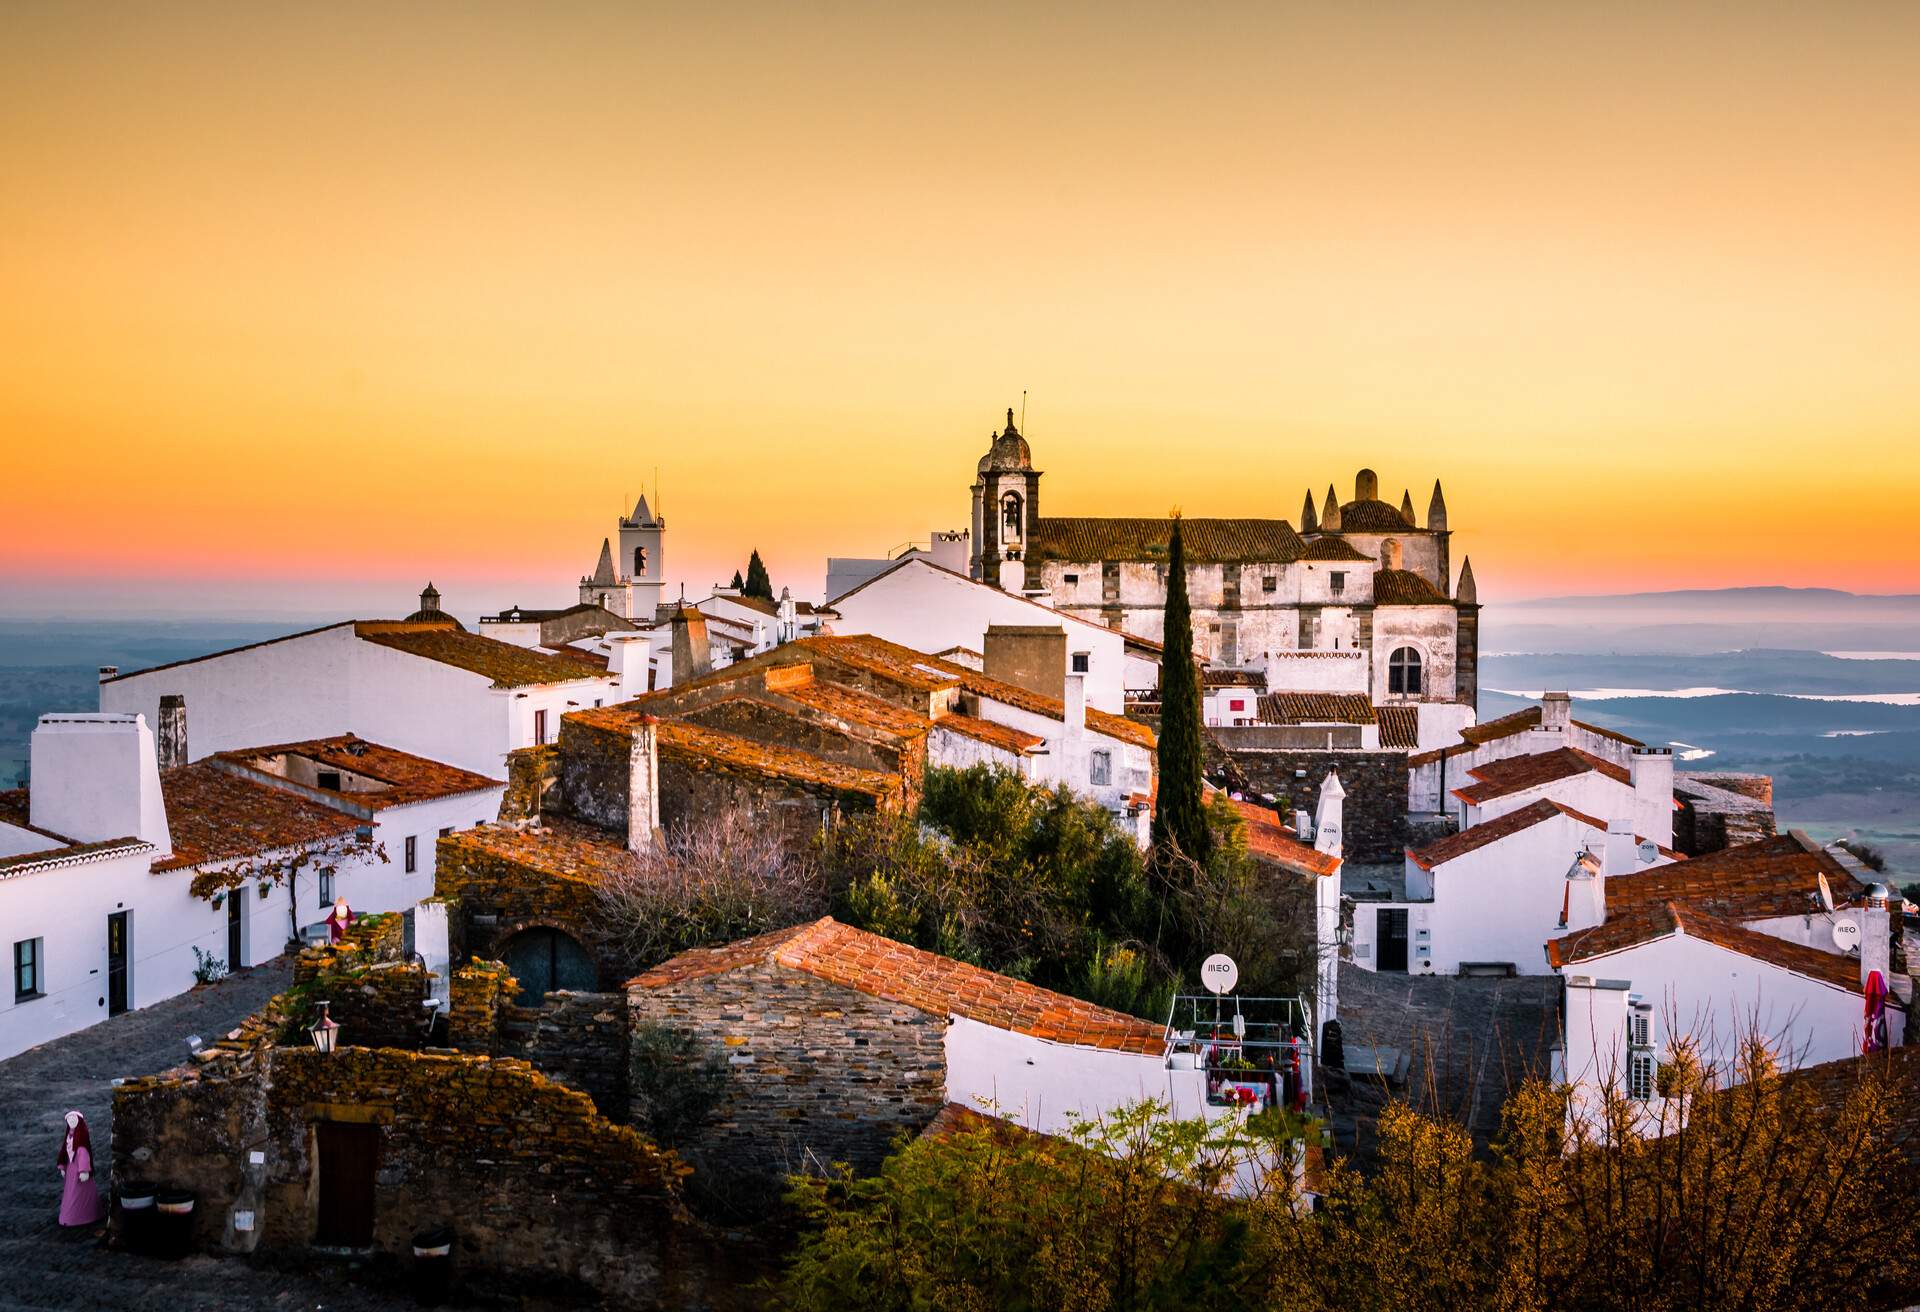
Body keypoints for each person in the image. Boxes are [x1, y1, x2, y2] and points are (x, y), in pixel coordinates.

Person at [57, 1111, 105, 1227]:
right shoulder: (68, 1136)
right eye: (69, 1119)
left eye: (74, 1118)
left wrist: (84, 1170)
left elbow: (83, 1153)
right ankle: (70, 1216)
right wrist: (62, 1166)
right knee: (71, 1192)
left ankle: (83, 1215)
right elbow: (64, 1152)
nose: (71, 1120)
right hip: (71, 1170)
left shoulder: (81, 1136)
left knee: (80, 1191)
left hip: (80, 1169)